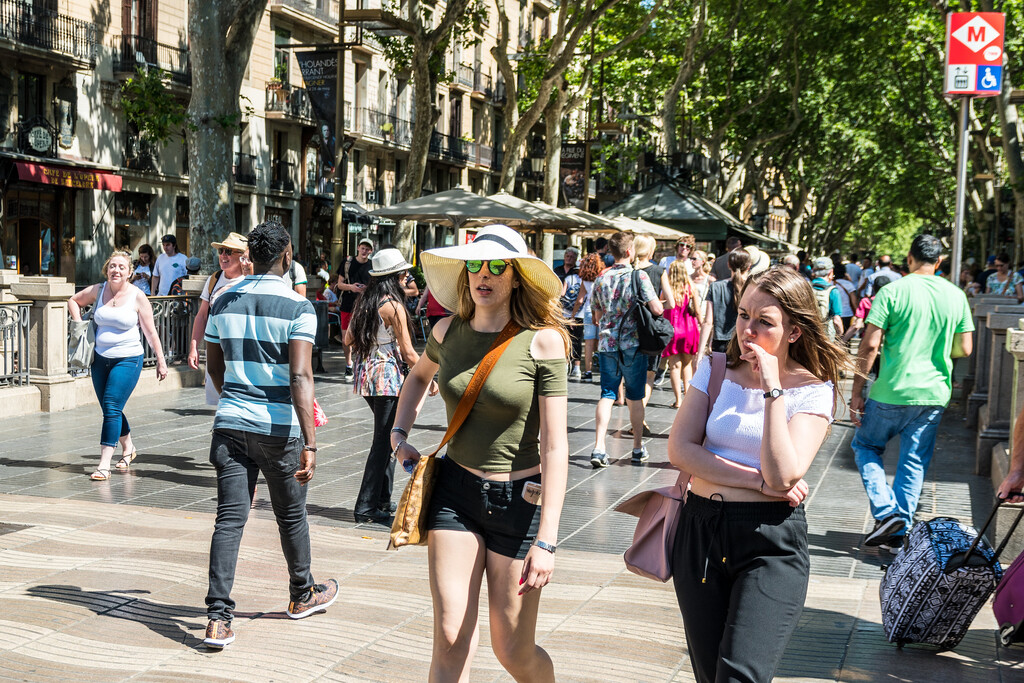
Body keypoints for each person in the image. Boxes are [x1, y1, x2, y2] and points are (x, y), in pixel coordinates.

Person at [389, 224, 569, 682]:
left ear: (516, 276)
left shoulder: (542, 341)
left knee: (512, 651)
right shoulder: (447, 330)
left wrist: (547, 540)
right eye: (474, 265)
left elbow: (555, 444)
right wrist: (398, 432)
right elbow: (416, 377)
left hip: (520, 506)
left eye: (496, 266)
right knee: (450, 636)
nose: (483, 275)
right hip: (455, 495)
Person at [667, 265, 844, 683]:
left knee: (739, 676)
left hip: (770, 540)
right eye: (743, 315)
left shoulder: (814, 388)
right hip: (700, 532)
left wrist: (772, 390)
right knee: (710, 675)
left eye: (764, 322)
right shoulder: (713, 368)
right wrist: (752, 480)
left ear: (795, 331)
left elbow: (783, 475)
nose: (747, 330)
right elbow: (681, 451)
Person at [202, 221, 338, 650]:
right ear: (287, 254)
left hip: (230, 425)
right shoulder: (299, 308)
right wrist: (310, 440)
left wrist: (236, 400)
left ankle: (218, 619)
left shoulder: (224, 299)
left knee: (229, 520)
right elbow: (300, 375)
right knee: (291, 515)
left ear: (249, 256)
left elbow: (214, 366)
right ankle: (302, 594)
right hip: (278, 429)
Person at [850, 234, 973, 552]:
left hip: (891, 390)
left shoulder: (891, 292)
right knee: (914, 462)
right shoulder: (955, 295)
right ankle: (899, 532)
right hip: (933, 393)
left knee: (865, 446)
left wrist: (856, 391)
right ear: (940, 261)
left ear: (909, 258)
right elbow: (965, 347)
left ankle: (887, 512)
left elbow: (870, 344)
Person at [344, 249, 435, 524]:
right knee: (384, 441)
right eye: (404, 274)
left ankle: (382, 499)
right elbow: (408, 352)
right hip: (387, 377)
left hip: (366, 376)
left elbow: (347, 339)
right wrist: (429, 376)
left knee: (390, 438)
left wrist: (373, 342)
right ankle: (365, 505)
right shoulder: (393, 307)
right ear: (393, 277)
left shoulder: (364, 302)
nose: (406, 278)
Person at [68, 250, 168, 480]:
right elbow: (73, 300)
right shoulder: (98, 290)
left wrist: (161, 361)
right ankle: (129, 447)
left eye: (122, 267)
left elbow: (150, 332)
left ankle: (104, 464)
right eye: (113, 266)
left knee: (111, 406)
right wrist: (79, 324)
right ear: (107, 269)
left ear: (130, 272)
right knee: (109, 408)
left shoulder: (137, 296)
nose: (116, 270)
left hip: (128, 359)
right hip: (99, 359)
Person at [589, 231, 664, 467]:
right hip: (633, 345)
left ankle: (599, 447)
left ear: (611, 252)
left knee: (607, 394)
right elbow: (657, 309)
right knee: (635, 396)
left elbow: (597, 315)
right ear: (630, 251)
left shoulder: (601, 278)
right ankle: (637, 448)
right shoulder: (638, 276)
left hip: (607, 344)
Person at [187, 232, 249, 405]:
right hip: (215, 349)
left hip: (240, 351)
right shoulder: (214, 279)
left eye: (229, 251)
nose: (223, 255)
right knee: (219, 401)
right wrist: (194, 347)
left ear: (242, 256)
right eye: (221, 251)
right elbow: (201, 316)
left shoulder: (249, 281)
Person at [662, 259, 701, 408]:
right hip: (689, 330)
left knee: (674, 367)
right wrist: (703, 323)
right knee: (687, 365)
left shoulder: (667, 289)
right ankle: (688, 400)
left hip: (672, 330)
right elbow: (697, 310)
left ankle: (678, 400)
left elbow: (660, 307)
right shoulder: (690, 288)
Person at [634, 234, 666, 408]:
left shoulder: (627, 270)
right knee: (649, 375)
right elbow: (671, 302)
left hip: (628, 330)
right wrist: (653, 304)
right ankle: (640, 411)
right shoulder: (658, 271)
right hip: (650, 328)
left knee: (630, 374)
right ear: (651, 250)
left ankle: (629, 406)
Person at [701, 249, 752, 355]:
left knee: (719, 371)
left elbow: (708, 322)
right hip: (745, 342)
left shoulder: (715, 287)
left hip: (720, 343)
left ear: (728, 265)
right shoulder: (753, 288)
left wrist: (700, 352)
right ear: (749, 266)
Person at [339, 238, 375, 377]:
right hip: (348, 304)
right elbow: (340, 284)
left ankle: (361, 363)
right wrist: (352, 287)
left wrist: (366, 289)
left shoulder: (373, 266)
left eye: (368, 249)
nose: (365, 251)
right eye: (363, 248)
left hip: (364, 305)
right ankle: (349, 364)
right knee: (345, 339)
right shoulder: (347, 263)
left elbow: (375, 286)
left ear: (371, 251)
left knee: (363, 336)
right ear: (358, 248)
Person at [572, 252, 602, 382]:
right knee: (603, 342)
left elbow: (580, 300)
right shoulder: (603, 276)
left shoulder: (585, 279)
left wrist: (572, 315)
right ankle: (603, 371)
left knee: (588, 344)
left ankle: (588, 372)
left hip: (589, 311)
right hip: (602, 311)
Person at [559, 255, 584, 380]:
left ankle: (566, 364)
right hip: (580, 314)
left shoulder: (568, 278)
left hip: (566, 313)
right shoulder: (584, 280)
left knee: (566, 339)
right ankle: (577, 368)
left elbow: (562, 294)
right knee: (577, 340)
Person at [810, 256, 844, 339]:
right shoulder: (833, 291)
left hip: (808, 333)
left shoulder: (805, 286)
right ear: (830, 272)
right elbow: (837, 320)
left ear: (813, 271)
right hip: (825, 335)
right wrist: (841, 336)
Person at [834, 262, 859, 332]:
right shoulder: (849, 284)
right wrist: (858, 315)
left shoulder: (831, 284)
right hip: (847, 314)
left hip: (834, 315)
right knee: (845, 338)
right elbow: (854, 302)